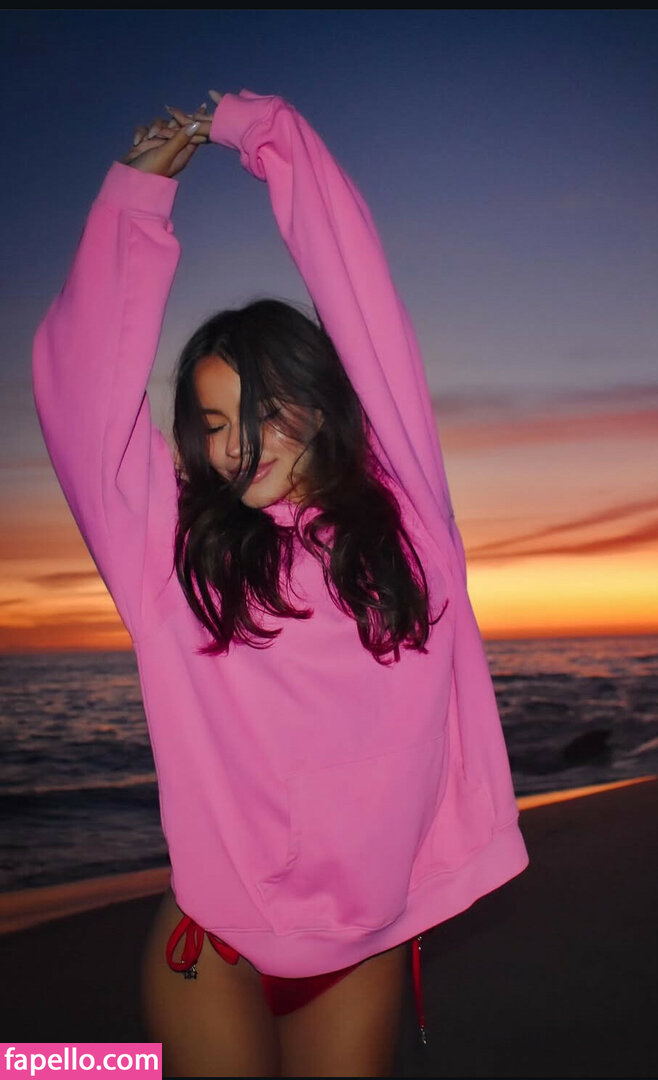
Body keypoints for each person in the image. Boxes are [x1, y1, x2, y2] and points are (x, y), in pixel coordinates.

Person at [33, 89, 529, 1077]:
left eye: (264, 411)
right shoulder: (176, 555)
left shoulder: (412, 528)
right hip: (214, 943)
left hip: (365, 941)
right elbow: (83, 400)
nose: (237, 444)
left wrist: (267, 135)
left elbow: (363, 304)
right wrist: (133, 203)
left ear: (323, 404)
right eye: (215, 422)